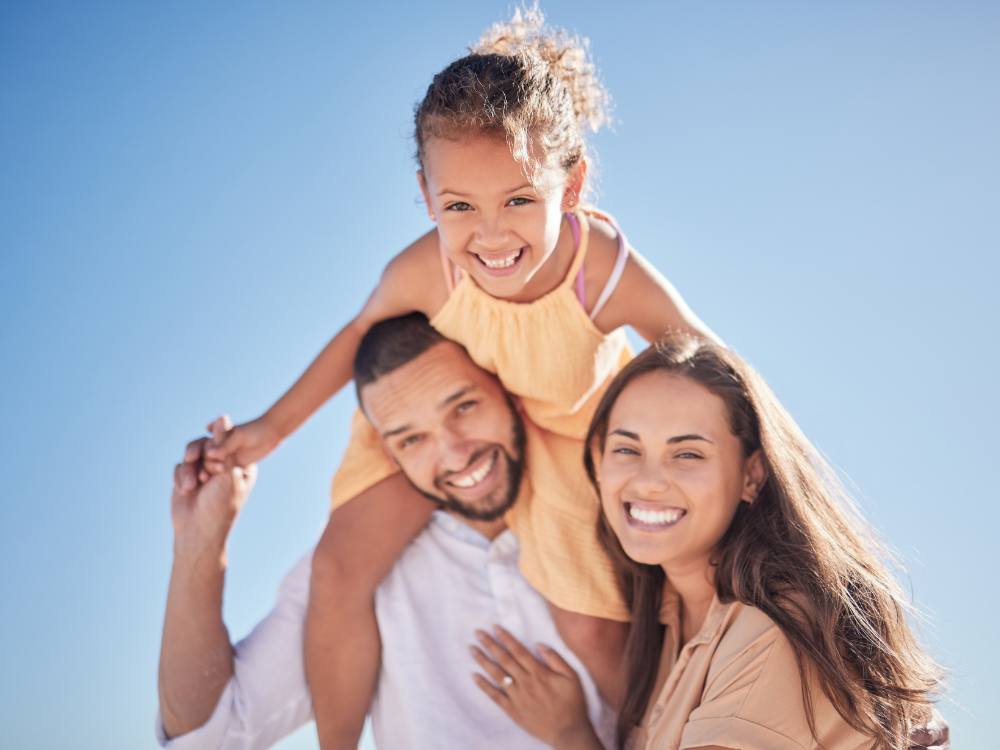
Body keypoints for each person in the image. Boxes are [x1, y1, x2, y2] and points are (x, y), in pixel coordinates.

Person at [190, 9, 718, 746]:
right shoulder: (426, 268)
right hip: (444, 412)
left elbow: (711, 364)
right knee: (339, 569)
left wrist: (739, 463)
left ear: (570, 187)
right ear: (425, 193)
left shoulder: (598, 270)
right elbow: (357, 334)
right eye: (459, 207)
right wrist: (270, 431)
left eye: (519, 201)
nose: (491, 235)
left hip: (566, 433)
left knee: (591, 627)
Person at [159, 314, 616, 749]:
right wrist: (201, 543)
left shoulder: (615, 520)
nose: (455, 455)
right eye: (412, 440)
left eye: (465, 406)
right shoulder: (350, 575)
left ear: (509, 393)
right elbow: (208, 736)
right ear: (390, 456)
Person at [471, 335, 947, 749]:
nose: (648, 481)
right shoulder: (670, 613)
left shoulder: (776, 626)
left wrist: (573, 739)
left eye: (688, 454)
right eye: (626, 449)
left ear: (751, 475)